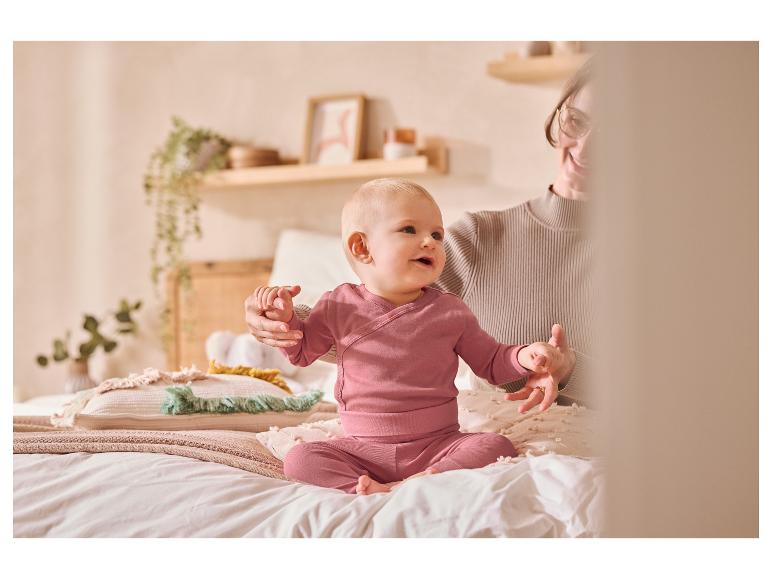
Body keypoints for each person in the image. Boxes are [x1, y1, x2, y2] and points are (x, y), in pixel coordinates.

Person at [245, 60, 593, 411]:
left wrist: (571, 370)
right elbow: (375, 325)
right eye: (577, 122)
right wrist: (286, 322)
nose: (586, 146)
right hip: (498, 450)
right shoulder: (479, 238)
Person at [252, 179, 570, 494]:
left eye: (437, 234)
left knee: (494, 445)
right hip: (363, 450)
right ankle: (364, 487)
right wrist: (284, 319)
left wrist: (527, 356)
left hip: (438, 445)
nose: (429, 241)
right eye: (409, 230)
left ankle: (427, 479)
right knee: (300, 459)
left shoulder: (450, 312)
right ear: (362, 247)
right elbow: (303, 350)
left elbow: (491, 361)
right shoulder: (338, 304)